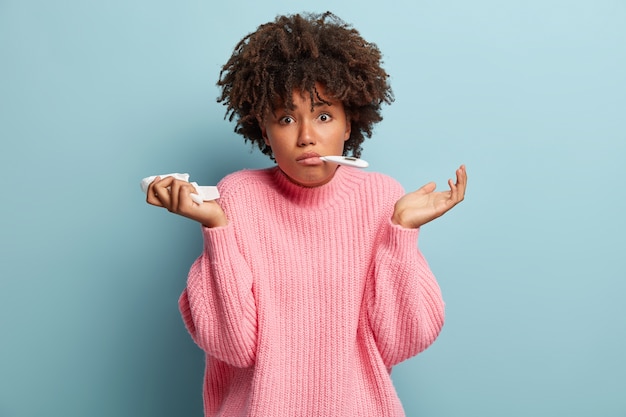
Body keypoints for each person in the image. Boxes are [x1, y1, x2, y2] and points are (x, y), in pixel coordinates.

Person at [146, 11, 467, 416]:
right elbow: (235, 346)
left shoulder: (383, 198)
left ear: (349, 124)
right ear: (264, 130)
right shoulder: (237, 197)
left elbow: (402, 342)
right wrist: (216, 227)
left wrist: (400, 234)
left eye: (324, 115)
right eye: (285, 118)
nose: (306, 136)